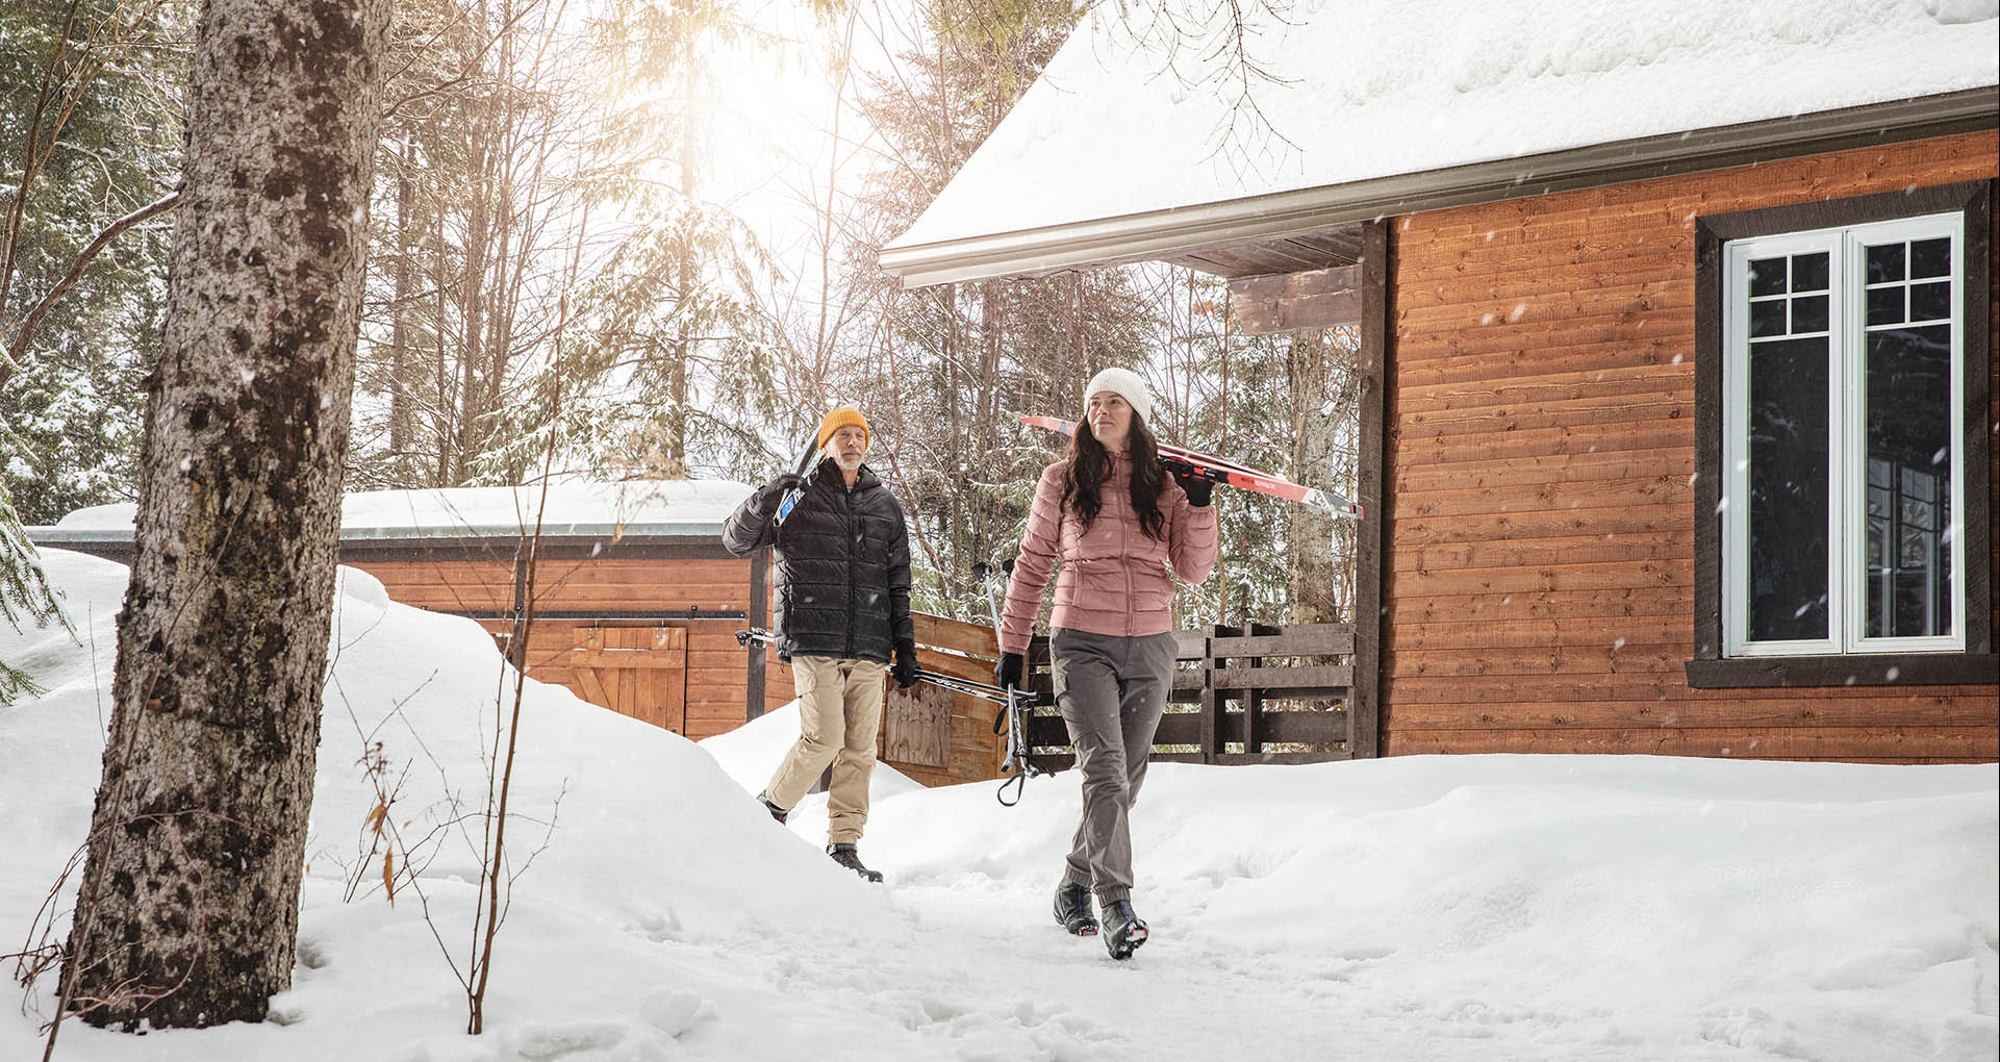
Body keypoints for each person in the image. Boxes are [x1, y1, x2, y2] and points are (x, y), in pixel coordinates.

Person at [994, 367, 1218, 959]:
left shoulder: (1164, 486)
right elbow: (1033, 563)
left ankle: (1072, 883)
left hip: (1150, 642)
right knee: (1105, 770)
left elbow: (1192, 570)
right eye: (1093, 402)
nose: (1102, 411)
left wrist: (1198, 504)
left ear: (1135, 413)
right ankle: (1115, 902)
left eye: (1114, 401)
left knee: (1127, 777)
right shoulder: (1062, 481)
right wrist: (1013, 648)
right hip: (1081, 641)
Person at [722, 406, 919, 883]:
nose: (852, 443)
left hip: (869, 645)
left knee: (858, 750)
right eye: (842, 436)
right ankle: (769, 810)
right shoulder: (797, 498)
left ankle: (844, 844)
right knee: (824, 737)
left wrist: (905, 646)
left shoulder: (885, 506)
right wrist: (768, 496)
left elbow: (898, 584)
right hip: (814, 638)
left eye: (859, 436)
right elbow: (737, 541)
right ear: (826, 444)